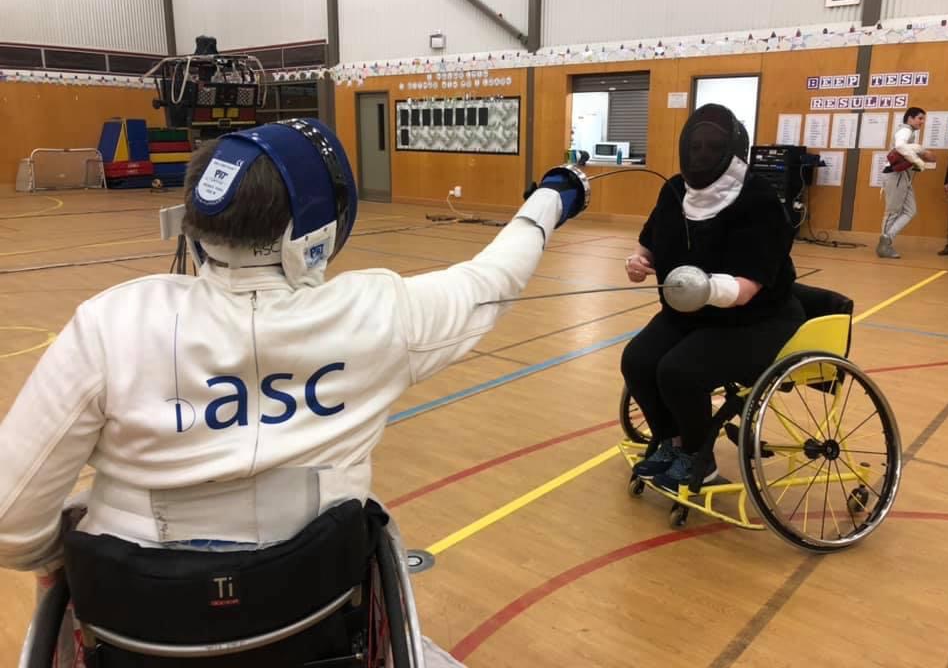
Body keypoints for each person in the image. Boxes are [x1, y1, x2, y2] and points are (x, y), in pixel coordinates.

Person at [0, 119, 587, 574]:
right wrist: (551, 198)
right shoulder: (381, 312)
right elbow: (493, 278)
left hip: (139, 621)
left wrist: (73, 557)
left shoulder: (111, 321)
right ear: (318, 226)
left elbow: (10, 523)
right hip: (318, 604)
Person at [620, 104, 803, 492]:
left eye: (713, 146)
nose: (702, 154)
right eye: (696, 145)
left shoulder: (759, 198)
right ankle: (670, 442)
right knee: (637, 361)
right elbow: (650, 245)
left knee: (679, 371)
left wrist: (704, 286)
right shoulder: (673, 190)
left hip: (755, 318)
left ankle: (697, 455)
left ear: (732, 149)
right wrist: (638, 262)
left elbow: (745, 290)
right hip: (688, 314)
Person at [877, 106, 936, 259]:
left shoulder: (909, 133)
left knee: (911, 211)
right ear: (910, 118)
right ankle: (883, 245)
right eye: (920, 118)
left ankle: (887, 239)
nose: (922, 122)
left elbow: (904, 151)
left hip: (903, 177)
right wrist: (919, 157)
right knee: (892, 212)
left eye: (923, 119)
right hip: (895, 176)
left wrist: (919, 156)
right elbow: (900, 146)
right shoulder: (905, 130)